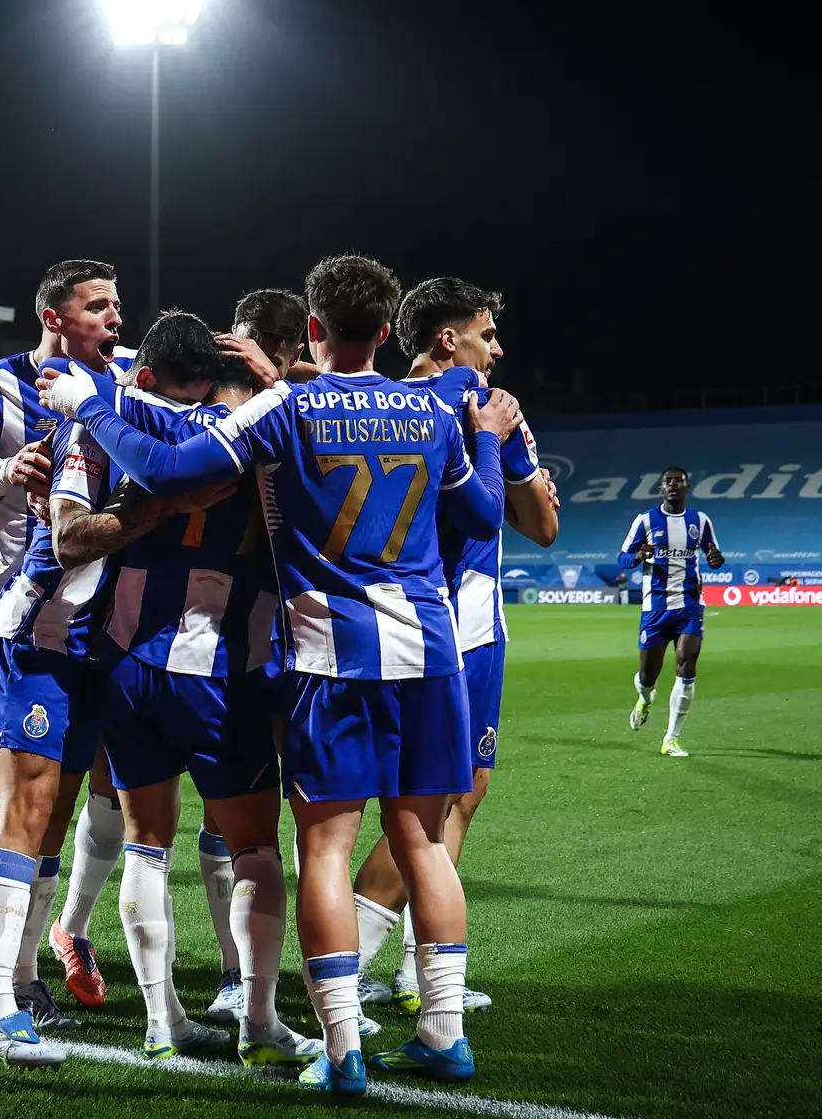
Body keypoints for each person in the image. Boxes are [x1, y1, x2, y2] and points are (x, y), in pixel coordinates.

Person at [40, 255, 514, 1095]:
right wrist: (486, 435)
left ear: (316, 331)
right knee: (424, 843)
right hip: (433, 655)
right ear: (386, 327)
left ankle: (341, 1053)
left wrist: (93, 403)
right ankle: (444, 1032)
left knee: (325, 849)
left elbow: (175, 473)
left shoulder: (289, 407)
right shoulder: (429, 409)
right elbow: (479, 515)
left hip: (332, 655)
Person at [0, 310, 208, 1068]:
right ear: (143, 383)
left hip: (90, 651)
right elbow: (69, 538)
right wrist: (150, 510)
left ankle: (20, 988)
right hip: (40, 634)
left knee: (53, 827)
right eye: (180, 399)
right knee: (26, 816)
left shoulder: (165, 428)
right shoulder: (94, 431)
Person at [87, 320, 324, 1068]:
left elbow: (121, 409)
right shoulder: (264, 433)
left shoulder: (136, 413)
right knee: (254, 848)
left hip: (127, 663)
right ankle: (258, 1020)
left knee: (145, 843)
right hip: (224, 671)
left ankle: (163, 1023)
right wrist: (291, 382)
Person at [350, 278, 558, 1014]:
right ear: (449, 340)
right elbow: (541, 526)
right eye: (487, 333)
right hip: (459, 626)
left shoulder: (365, 399)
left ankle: (405, 972)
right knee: (438, 803)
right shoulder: (480, 409)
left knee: (410, 803)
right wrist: (503, 444)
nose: (496, 348)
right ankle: (378, 969)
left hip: (367, 623)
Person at [0, 259, 130, 1022]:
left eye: (119, 305)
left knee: (54, 803)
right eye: (99, 306)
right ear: (54, 316)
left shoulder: (127, 383)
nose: (116, 318)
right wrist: (3, 474)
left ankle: (21, 969)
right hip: (10, 617)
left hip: (97, 624)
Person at [621, 467, 724, 757]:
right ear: (660, 489)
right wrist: (640, 555)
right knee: (647, 675)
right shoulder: (645, 521)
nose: (673, 485)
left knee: (686, 663)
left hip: (690, 605)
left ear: (687, 486)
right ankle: (644, 697)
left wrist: (716, 558)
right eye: (668, 481)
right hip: (655, 608)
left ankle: (671, 738)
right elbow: (623, 557)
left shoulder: (700, 521)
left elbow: (713, 553)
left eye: (679, 481)